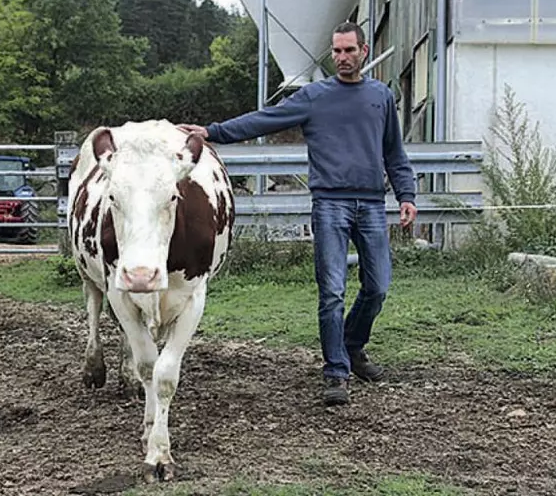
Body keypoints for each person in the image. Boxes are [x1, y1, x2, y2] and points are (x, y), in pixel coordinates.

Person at [178, 22, 417, 406]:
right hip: (330, 204)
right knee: (332, 292)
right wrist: (213, 131)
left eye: (348, 51)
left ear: (364, 51)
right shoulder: (314, 96)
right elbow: (264, 119)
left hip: (371, 203)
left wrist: (407, 194)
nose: (342, 58)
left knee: (378, 287)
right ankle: (336, 371)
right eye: (336, 52)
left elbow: (394, 152)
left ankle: (352, 345)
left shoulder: (381, 96)